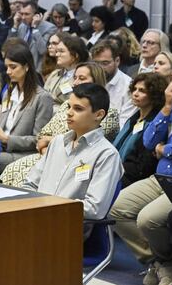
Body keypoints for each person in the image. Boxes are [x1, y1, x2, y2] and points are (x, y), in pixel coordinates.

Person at [111, 58, 172, 285]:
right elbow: (148, 141)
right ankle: (163, 261)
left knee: (148, 219)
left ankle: (167, 262)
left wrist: (167, 149)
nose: (170, 84)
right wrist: (166, 107)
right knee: (116, 208)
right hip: (159, 178)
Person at [22, 84, 123, 239]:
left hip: (68, 228)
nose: (69, 113)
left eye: (78, 109)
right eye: (69, 107)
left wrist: (49, 207)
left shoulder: (106, 154)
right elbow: (30, 183)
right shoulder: (57, 142)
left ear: (99, 114)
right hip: (39, 217)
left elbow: (94, 209)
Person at [0, 62, 119, 187]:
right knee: (12, 171)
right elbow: (42, 136)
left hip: (74, 161)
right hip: (45, 155)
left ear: (96, 81)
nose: (76, 82)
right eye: (75, 78)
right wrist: (49, 150)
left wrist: (52, 144)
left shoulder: (109, 113)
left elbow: (86, 140)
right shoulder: (66, 104)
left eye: (82, 78)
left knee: (23, 180)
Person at [0, 44, 54, 176]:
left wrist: (7, 139)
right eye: (7, 67)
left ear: (27, 67)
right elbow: (3, 127)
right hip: (1, 148)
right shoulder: (8, 94)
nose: (8, 72)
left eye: (13, 67)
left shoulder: (42, 98)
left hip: (22, 155)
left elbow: (39, 139)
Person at [112, 72, 169, 188]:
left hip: (131, 179)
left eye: (142, 91)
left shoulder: (155, 125)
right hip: (114, 170)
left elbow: (142, 167)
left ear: (154, 95)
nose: (135, 94)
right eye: (135, 89)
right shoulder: (133, 119)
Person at [91, 40, 135, 128]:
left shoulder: (128, 86)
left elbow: (124, 125)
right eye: (96, 63)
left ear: (117, 61)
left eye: (105, 63)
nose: (100, 68)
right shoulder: (89, 79)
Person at [7, 0, 57, 71]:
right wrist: (15, 27)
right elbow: (9, 47)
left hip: (38, 71)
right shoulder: (21, 26)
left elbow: (43, 50)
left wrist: (35, 29)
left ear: (36, 15)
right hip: (22, 69)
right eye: (22, 14)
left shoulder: (50, 28)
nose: (23, 17)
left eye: (27, 14)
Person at [43, 34, 89, 108]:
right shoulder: (54, 73)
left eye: (61, 51)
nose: (57, 54)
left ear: (75, 55)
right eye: (57, 51)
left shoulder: (83, 78)